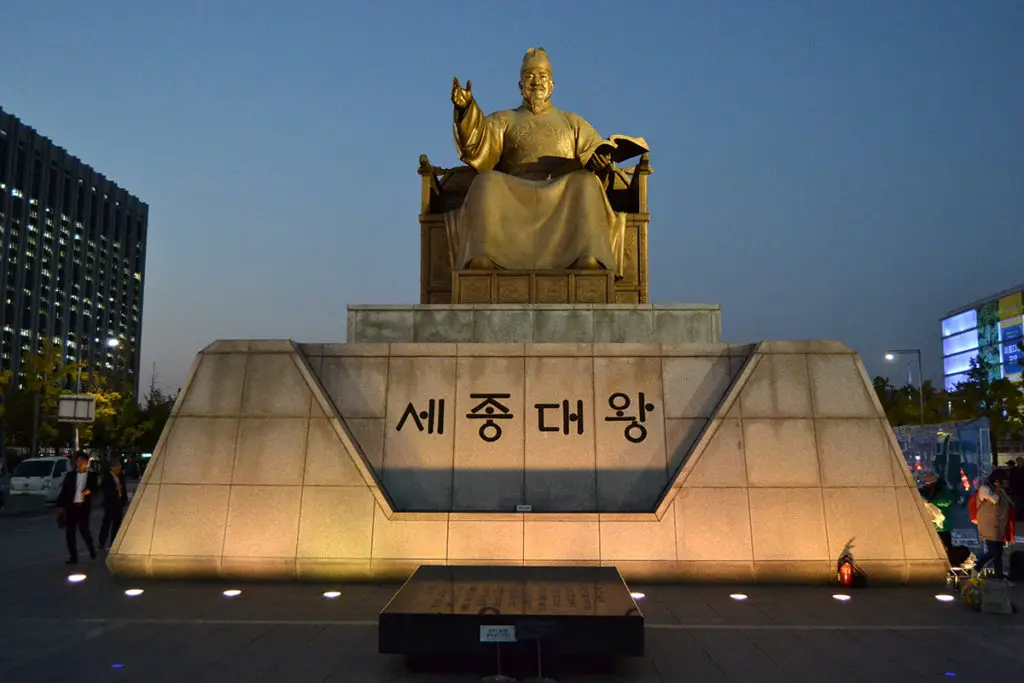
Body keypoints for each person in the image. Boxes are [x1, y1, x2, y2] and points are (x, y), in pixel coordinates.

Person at [446, 47, 646, 274]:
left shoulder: (573, 122)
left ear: (552, 85)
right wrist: (465, 110)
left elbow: (594, 152)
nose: (536, 82)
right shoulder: (504, 119)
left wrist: (600, 164)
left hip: (562, 190)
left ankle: (587, 256)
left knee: (586, 182)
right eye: (529, 77)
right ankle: (484, 255)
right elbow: (478, 146)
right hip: (515, 189)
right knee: (486, 182)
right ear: (520, 86)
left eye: (542, 77)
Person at [972, 470, 1015, 584]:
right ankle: (976, 569)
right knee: (993, 552)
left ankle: (999, 576)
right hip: (989, 526)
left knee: (998, 553)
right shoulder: (985, 489)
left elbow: (1010, 504)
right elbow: (995, 499)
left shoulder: (1001, 491)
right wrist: (999, 490)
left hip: (999, 527)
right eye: (1002, 481)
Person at [56, 452, 99, 565]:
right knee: (70, 533)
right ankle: (73, 557)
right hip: (72, 507)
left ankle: (91, 549)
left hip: (83, 507)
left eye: (82, 461)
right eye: (77, 461)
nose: (79, 463)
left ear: (86, 462)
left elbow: (95, 488)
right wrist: (60, 506)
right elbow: (64, 491)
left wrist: (89, 491)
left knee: (84, 530)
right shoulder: (70, 475)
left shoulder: (91, 476)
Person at [919, 472, 954, 552]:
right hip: (930, 526)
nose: (928, 485)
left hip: (942, 527)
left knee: (946, 546)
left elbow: (947, 500)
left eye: (929, 483)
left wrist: (932, 502)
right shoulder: (925, 491)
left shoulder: (944, 490)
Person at [98, 459, 128, 551]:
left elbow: (124, 489)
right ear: (112, 468)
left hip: (119, 504)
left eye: (120, 466)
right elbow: (105, 489)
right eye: (117, 466)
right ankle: (102, 542)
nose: (119, 468)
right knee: (107, 523)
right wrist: (115, 490)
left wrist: (124, 500)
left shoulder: (120, 477)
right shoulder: (107, 478)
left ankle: (114, 542)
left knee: (117, 523)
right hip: (110, 504)